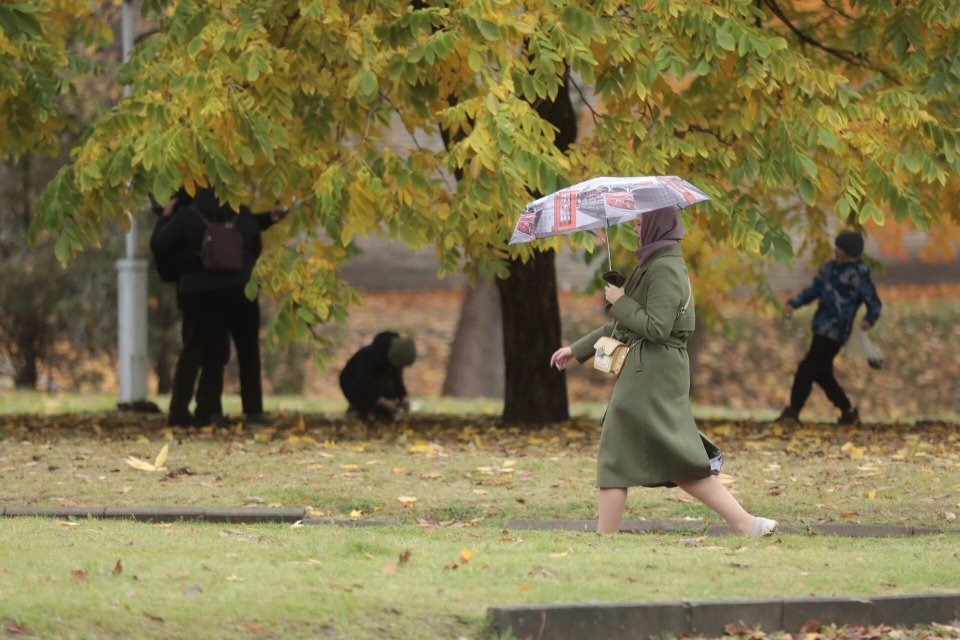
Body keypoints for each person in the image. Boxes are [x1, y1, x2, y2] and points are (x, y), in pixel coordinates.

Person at [549, 205, 777, 536]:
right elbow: (625, 328)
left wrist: (621, 300)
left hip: (652, 371)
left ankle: (605, 537)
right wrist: (577, 350)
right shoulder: (654, 264)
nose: (637, 229)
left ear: (658, 225)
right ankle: (747, 524)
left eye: (641, 223)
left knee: (616, 454)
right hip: (651, 369)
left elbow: (656, 328)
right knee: (678, 459)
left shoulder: (665, 269)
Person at [150, 185, 285, 427]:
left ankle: (192, 411)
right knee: (248, 352)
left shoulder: (186, 216)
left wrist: (165, 217)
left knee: (201, 352)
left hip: (199, 294)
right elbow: (253, 244)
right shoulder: (241, 214)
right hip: (241, 291)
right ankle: (252, 412)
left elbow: (159, 245)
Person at [776, 230, 882, 426]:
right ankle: (848, 411)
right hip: (820, 327)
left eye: (839, 247)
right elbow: (813, 290)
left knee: (805, 369)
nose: (836, 250)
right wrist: (793, 303)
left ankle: (793, 412)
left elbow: (874, 302)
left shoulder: (859, 274)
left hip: (836, 332)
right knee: (822, 373)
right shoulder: (829, 268)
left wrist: (869, 320)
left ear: (848, 251)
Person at [339, 331, 416, 422]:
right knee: (364, 410)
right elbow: (362, 384)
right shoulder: (368, 357)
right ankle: (358, 410)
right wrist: (382, 401)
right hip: (352, 384)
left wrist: (403, 396)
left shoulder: (391, 363)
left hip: (373, 386)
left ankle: (381, 412)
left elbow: (397, 380)